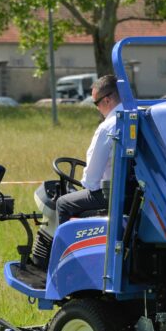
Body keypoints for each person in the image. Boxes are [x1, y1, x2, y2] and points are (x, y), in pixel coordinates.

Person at [56, 74, 122, 225]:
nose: (97, 108)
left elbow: (91, 181)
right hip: (136, 194)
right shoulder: (139, 117)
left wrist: (83, 185)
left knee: (63, 203)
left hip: (112, 195)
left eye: (96, 103)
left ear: (107, 100)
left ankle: (66, 248)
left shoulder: (108, 127)